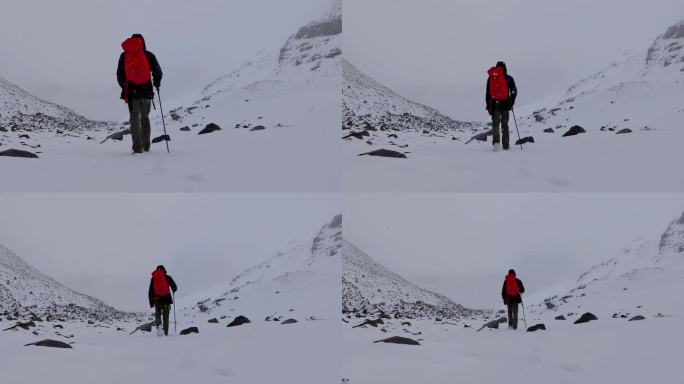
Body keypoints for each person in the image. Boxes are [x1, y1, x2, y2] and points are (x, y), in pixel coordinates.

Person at [117, 34, 163, 154]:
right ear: (142, 42)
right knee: (145, 117)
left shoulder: (124, 55)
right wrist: (156, 82)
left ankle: (137, 148)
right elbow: (158, 71)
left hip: (132, 92)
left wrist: (125, 86)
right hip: (146, 91)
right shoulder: (148, 55)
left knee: (134, 118)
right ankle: (146, 146)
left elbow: (119, 75)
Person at [485, 61, 517, 151]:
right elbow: (514, 91)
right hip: (506, 104)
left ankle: (496, 144)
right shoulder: (509, 78)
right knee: (505, 124)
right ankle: (506, 145)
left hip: (495, 104)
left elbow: (487, 93)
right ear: (505, 68)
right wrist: (511, 102)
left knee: (495, 124)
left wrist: (488, 105)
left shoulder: (490, 78)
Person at [148, 265, 177, 336]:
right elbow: (175, 287)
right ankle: (165, 333)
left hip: (157, 299)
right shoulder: (167, 277)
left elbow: (150, 290)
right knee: (165, 316)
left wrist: (151, 303)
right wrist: (173, 289)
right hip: (166, 299)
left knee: (158, 315)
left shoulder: (153, 278)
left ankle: (159, 326)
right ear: (164, 270)